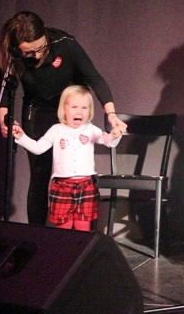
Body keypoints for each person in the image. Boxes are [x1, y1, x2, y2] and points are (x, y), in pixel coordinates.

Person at [0, 11, 128, 225]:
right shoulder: (11, 54)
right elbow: (4, 92)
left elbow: (95, 79)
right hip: (37, 111)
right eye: (29, 52)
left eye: (41, 48)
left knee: (73, 173)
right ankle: (36, 234)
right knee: (39, 176)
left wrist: (111, 114)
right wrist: (5, 120)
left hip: (70, 110)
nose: (37, 55)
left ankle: (76, 235)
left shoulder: (64, 44)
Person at [11, 85, 123, 231]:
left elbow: (108, 141)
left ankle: (81, 246)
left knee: (83, 229)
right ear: (64, 109)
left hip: (86, 185)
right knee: (63, 230)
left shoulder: (90, 129)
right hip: (62, 186)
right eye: (74, 107)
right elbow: (38, 148)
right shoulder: (56, 130)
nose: (79, 112)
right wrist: (21, 136)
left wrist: (115, 135)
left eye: (84, 108)